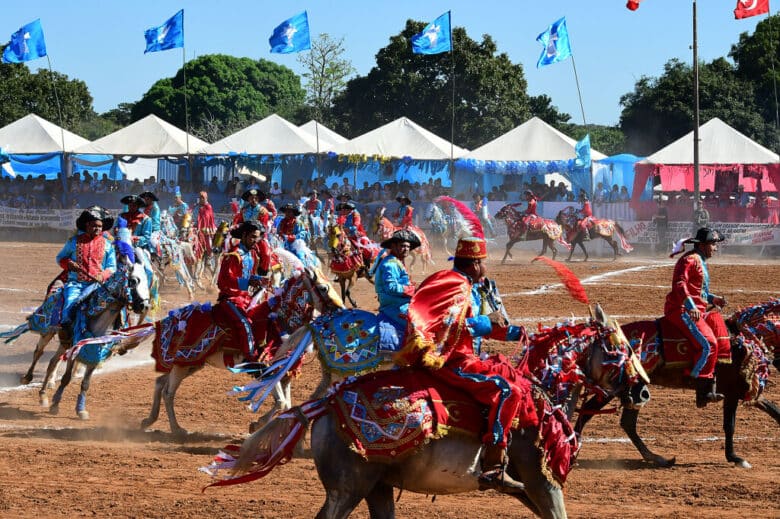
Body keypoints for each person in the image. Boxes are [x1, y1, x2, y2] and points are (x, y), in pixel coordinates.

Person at [395, 236, 529, 494]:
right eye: (483, 263)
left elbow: (470, 326)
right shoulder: (455, 285)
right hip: (451, 361)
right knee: (507, 391)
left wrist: (513, 333)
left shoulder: (461, 283)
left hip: (465, 355)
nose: (485, 268)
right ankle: (493, 466)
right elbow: (448, 325)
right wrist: (487, 322)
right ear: (475, 264)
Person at [665, 227, 727, 408]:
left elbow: (698, 291)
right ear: (703, 245)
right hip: (680, 310)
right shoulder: (689, 260)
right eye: (713, 244)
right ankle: (700, 385)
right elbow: (679, 284)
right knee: (709, 344)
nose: (715, 248)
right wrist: (691, 306)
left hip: (694, 310)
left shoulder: (699, 259)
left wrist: (713, 298)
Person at [56, 207, 117, 345]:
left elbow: (112, 267)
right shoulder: (73, 242)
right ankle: (66, 332)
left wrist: (102, 275)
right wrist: (69, 264)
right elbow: (60, 258)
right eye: (94, 225)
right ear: (87, 225)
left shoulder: (108, 245)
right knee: (70, 305)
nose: (97, 229)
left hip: (98, 285)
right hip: (76, 283)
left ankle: (116, 332)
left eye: (100, 226)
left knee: (115, 306)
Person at [212, 221, 271, 361]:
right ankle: (250, 357)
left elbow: (246, 275)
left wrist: (259, 280)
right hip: (230, 299)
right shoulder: (233, 255)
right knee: (245, 323)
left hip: (246, 298)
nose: (255, 241)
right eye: (252, 237)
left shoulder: (251, 255)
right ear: (244, 236)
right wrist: (248, 282)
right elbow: (223, 281)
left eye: (257, 237)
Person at [370, 230, 419, 350]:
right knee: (420, 326)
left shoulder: (396, 261)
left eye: (408, 246)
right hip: (395, 306)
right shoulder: (391, 264)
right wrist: (413, 290)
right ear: (393, 246)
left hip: (399, 303)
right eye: (402, 246)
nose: (406, 249)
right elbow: (391, 287)